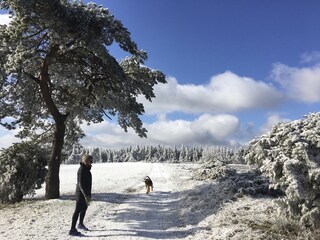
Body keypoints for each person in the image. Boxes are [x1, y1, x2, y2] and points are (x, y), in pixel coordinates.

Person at [69, 154, 93, 236]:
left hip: (86, 194)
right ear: (85, 161)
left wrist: (89, 195)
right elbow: (80, 184)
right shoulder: (81, 170)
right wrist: (85, 195)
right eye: (90, 161)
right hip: (81, 194)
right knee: (77, 211)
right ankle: (72, 229)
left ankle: (80, 224)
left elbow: (88, 184)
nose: (91, 163)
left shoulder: (87, 169)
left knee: (84, 208)